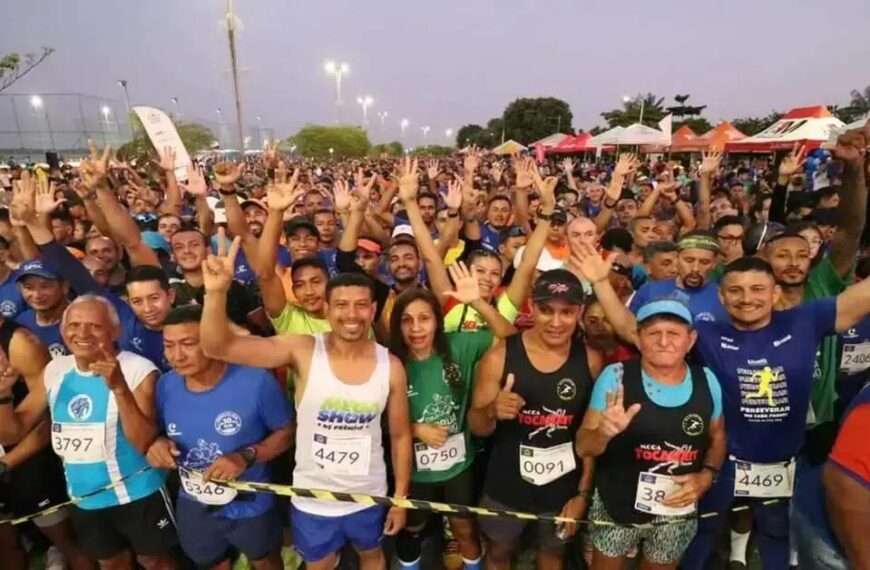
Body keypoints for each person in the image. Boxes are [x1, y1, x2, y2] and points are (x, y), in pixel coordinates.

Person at [575, 248, 870, 570]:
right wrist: (601, 282)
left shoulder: (805, 321)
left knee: (777, 537)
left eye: (757, 289)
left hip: (785, 462)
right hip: (725, 464)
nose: (747, 298)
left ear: (774, 293)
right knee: (701, 535)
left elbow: (860, 298)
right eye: (736, 290)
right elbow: (635, 329)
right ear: (721, 297)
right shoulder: (707, 335)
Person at [198, 239, 412, 570]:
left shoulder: (391, 366)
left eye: (360, 305)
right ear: (327, 308)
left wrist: (399, 498)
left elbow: (400, 436)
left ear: (372, 310)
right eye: (341, 305)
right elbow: (216, 347)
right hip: (314, 498)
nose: (351, 315)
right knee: (319, 564)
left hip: (369, 493)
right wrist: (215, 293)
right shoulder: (303, 350)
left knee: (371, 555)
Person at [0, 295, 178, 570]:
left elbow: (144, 441)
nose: (82, 334)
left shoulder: (138, 370)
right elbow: (13, 433)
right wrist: (3, 395)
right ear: (62, 330)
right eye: (74, 325)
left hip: (138, 492)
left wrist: (119, 388)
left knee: (155, 561)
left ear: (115, 331)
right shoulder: (56, 369)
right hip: (85, 498)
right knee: (111, 564)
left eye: (95, 326)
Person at [468, 269, 602, 569]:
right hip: (507, 484)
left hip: (562, 488)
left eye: (566, 312)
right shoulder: (499, 356)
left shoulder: (591, 360)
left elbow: (589, 437)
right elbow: (477, 427)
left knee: (552, 554)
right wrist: (492, 410)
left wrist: (582, 494)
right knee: (499, 551)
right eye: (546, 311)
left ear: (579, 312)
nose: (556, 322)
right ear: (531, 307)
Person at [577, 299, 726, 569]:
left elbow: (717, 436)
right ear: (637, 338)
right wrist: (603, 433)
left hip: (676, 509)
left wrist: (707, 476)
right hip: (616, 505)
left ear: (691, 340)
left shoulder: (707, 380)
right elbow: (583, 446)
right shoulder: (616, 377)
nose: (664, 342)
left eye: (674, 334)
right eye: (654, 333)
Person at [146, 306, 293, 570]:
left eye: (188, 344)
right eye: (169, 346)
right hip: (194, 502)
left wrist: (246, 456)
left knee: (265, 561)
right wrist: (157, 444)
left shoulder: (256, 381)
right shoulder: (165, 385)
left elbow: (287, 431)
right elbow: (158, 433)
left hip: (251, 503)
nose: (177, 355)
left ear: (214, 341)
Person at [391, 264, 515, 570]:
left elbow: (511, 339)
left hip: (459, 466)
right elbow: (376, 417)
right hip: (413, 470)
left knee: (464, 530)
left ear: (438, 321)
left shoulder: (461, 345)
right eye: (407, 320)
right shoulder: (390, 363)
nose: (416, 328)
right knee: (412, 528)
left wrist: (477, 302)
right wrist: (414, 428)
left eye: (424, 318)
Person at [0, 317, 93, 570]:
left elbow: (49, 423)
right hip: (9, 456)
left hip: (31, 463)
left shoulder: (21, 344)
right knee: (8, 542)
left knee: (68, 542)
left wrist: (6, 463)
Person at [629, 231, 727, 325]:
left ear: (714, 264)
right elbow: (631, 330)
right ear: (676, 259)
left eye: (704, 262)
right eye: (689, 260)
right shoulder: (648, 291)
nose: (695, 269)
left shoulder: (723, 298)